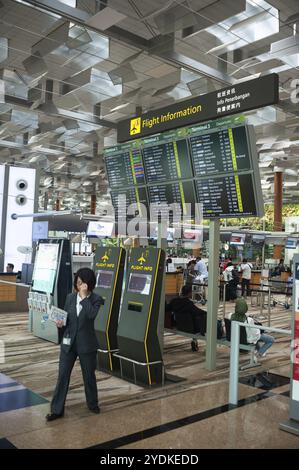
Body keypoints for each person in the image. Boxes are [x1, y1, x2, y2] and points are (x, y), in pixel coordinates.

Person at [46, 268, 103, 422]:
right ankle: (56, 409)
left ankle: (92, 404)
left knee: (88, 376)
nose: (79, 286)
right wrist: (60, 324)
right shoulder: (70, 297)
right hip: (68, 343)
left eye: (82, 282)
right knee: (63, 376)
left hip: (87, 344)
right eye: (77, 282)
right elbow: (66, 319)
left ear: (89, 283)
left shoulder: (96, 299)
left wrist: (84, 297)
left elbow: (91, 315)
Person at [165, 284, 207, 351]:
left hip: (178, 324)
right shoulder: (188, 303)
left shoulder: (174, 301)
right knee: (203, 317)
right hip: (190, 327)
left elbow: (166, 308)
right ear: (189, 293)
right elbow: (198, 311)